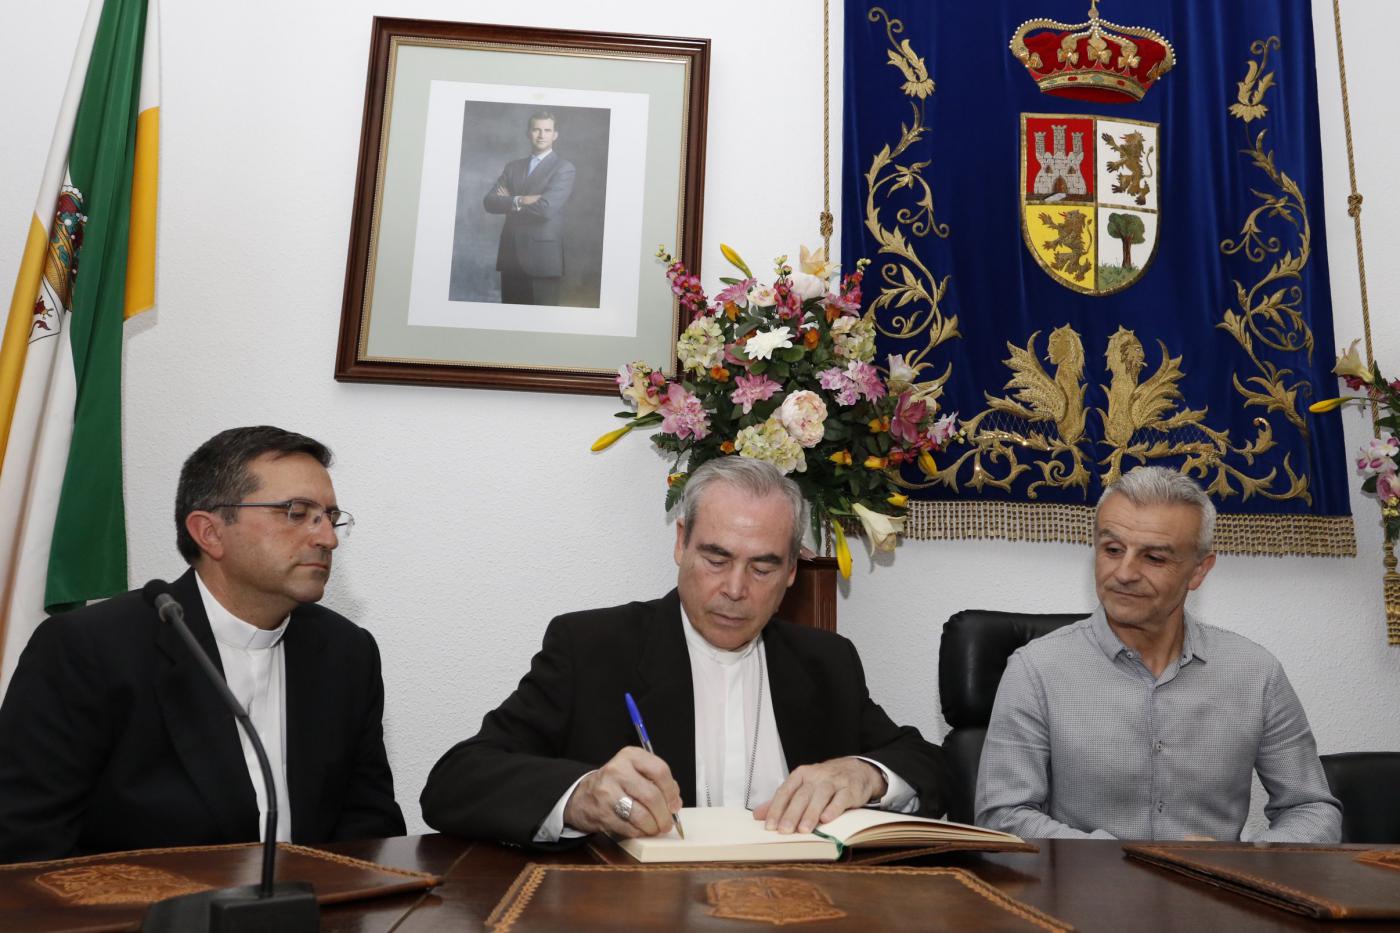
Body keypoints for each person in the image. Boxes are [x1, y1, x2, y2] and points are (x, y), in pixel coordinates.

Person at [420, 457, 949, 847]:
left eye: (762, 568)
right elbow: (455, 781)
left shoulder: (825, 662)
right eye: (715, 559)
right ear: (681, 543)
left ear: (792, 572)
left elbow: (934, 767)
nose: (736, 589)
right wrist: (583, 795)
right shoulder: (592, 647)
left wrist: (866, 774)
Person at [0, 426, 405, 862]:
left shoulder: (347, 652)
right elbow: (24, 842)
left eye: (329, 516)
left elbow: (370, 826)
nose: (327, 538)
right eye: (296, 512)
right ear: (209, 533)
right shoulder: (90, 649)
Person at [975, 466, 1341, 842]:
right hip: (1085, 891)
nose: (1125, 572)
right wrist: (1114, 859)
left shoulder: (1255, 673)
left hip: (1215, 895)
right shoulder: (1036, 670)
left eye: (1154, 558)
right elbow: (1002, 815)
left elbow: (1311, 808)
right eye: (1113, 550)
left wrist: (1249, 864)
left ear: (1198, 571)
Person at [482, 110, 576, 306]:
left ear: (555, 135)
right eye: (536, 129)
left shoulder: (563, 168)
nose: (541, 135)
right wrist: (521, 200)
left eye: (547, 130)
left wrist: (509, 201)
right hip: (510, 257)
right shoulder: (512, 167)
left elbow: (545, 209)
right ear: (528, 133)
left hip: (542, 259)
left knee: (541, 323)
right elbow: (489, 202)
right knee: (510, 322)